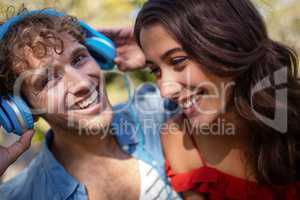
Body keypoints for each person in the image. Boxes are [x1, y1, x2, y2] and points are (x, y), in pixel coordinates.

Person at [110, 0, 300, 199]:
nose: (165, 91)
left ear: (228, 43)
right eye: (155, 70)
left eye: (177, 61)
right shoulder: (181, 138)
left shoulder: (291, 116)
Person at [0, 8, 180, 200]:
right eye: (48, 79)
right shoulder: (22, 195)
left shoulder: (159, 111)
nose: (82, 83)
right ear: (20, 109)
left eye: (78, 59)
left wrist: (163, 47)